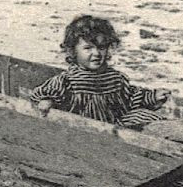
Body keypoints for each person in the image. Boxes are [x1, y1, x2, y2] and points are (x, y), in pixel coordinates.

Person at [29, 15, 168, 128]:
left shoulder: (115, 78)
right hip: (80, 128)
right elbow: (42, 93)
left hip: (115, 127)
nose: (96, 53)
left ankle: (169, 131)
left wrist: (153, 96)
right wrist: (46, 101)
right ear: (73, 51)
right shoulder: (68, 80)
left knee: (144, 115)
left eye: (101, 47)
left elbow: (131, 97)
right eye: (88, 48)